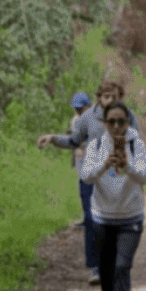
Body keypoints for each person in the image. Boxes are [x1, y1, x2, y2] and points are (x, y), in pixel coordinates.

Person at [37, 81, 139, 286]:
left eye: (115, 96)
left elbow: (136, 144)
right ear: (99, 97)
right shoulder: (87, 118)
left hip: (117, 177)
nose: (111, 100)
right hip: (92, 175)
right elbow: (73, 140)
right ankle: (95, 268)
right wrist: (53, 139)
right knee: (92, 221)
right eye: (107, 96)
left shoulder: (128, 116)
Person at [78, 100, 146, 291]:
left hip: (130, 217)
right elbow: (86, 176)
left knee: (122, 266)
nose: (117, 126)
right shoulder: (96, 145)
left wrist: (127, 166)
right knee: (107, 271)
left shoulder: (136, 144)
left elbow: (144, 176)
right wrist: (104, 164)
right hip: (102, 218)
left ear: (128, 122)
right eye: (111, 122)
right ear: (104, 123)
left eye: (121, 121)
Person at [68, 92, 93, 229]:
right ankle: (87, 219)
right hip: (80, 157)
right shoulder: (75, 119)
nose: (78, 110)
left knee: (90, 190)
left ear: (88, 106)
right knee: (84, 191)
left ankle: (93, 220)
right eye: (76, 108)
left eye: (80, 108)